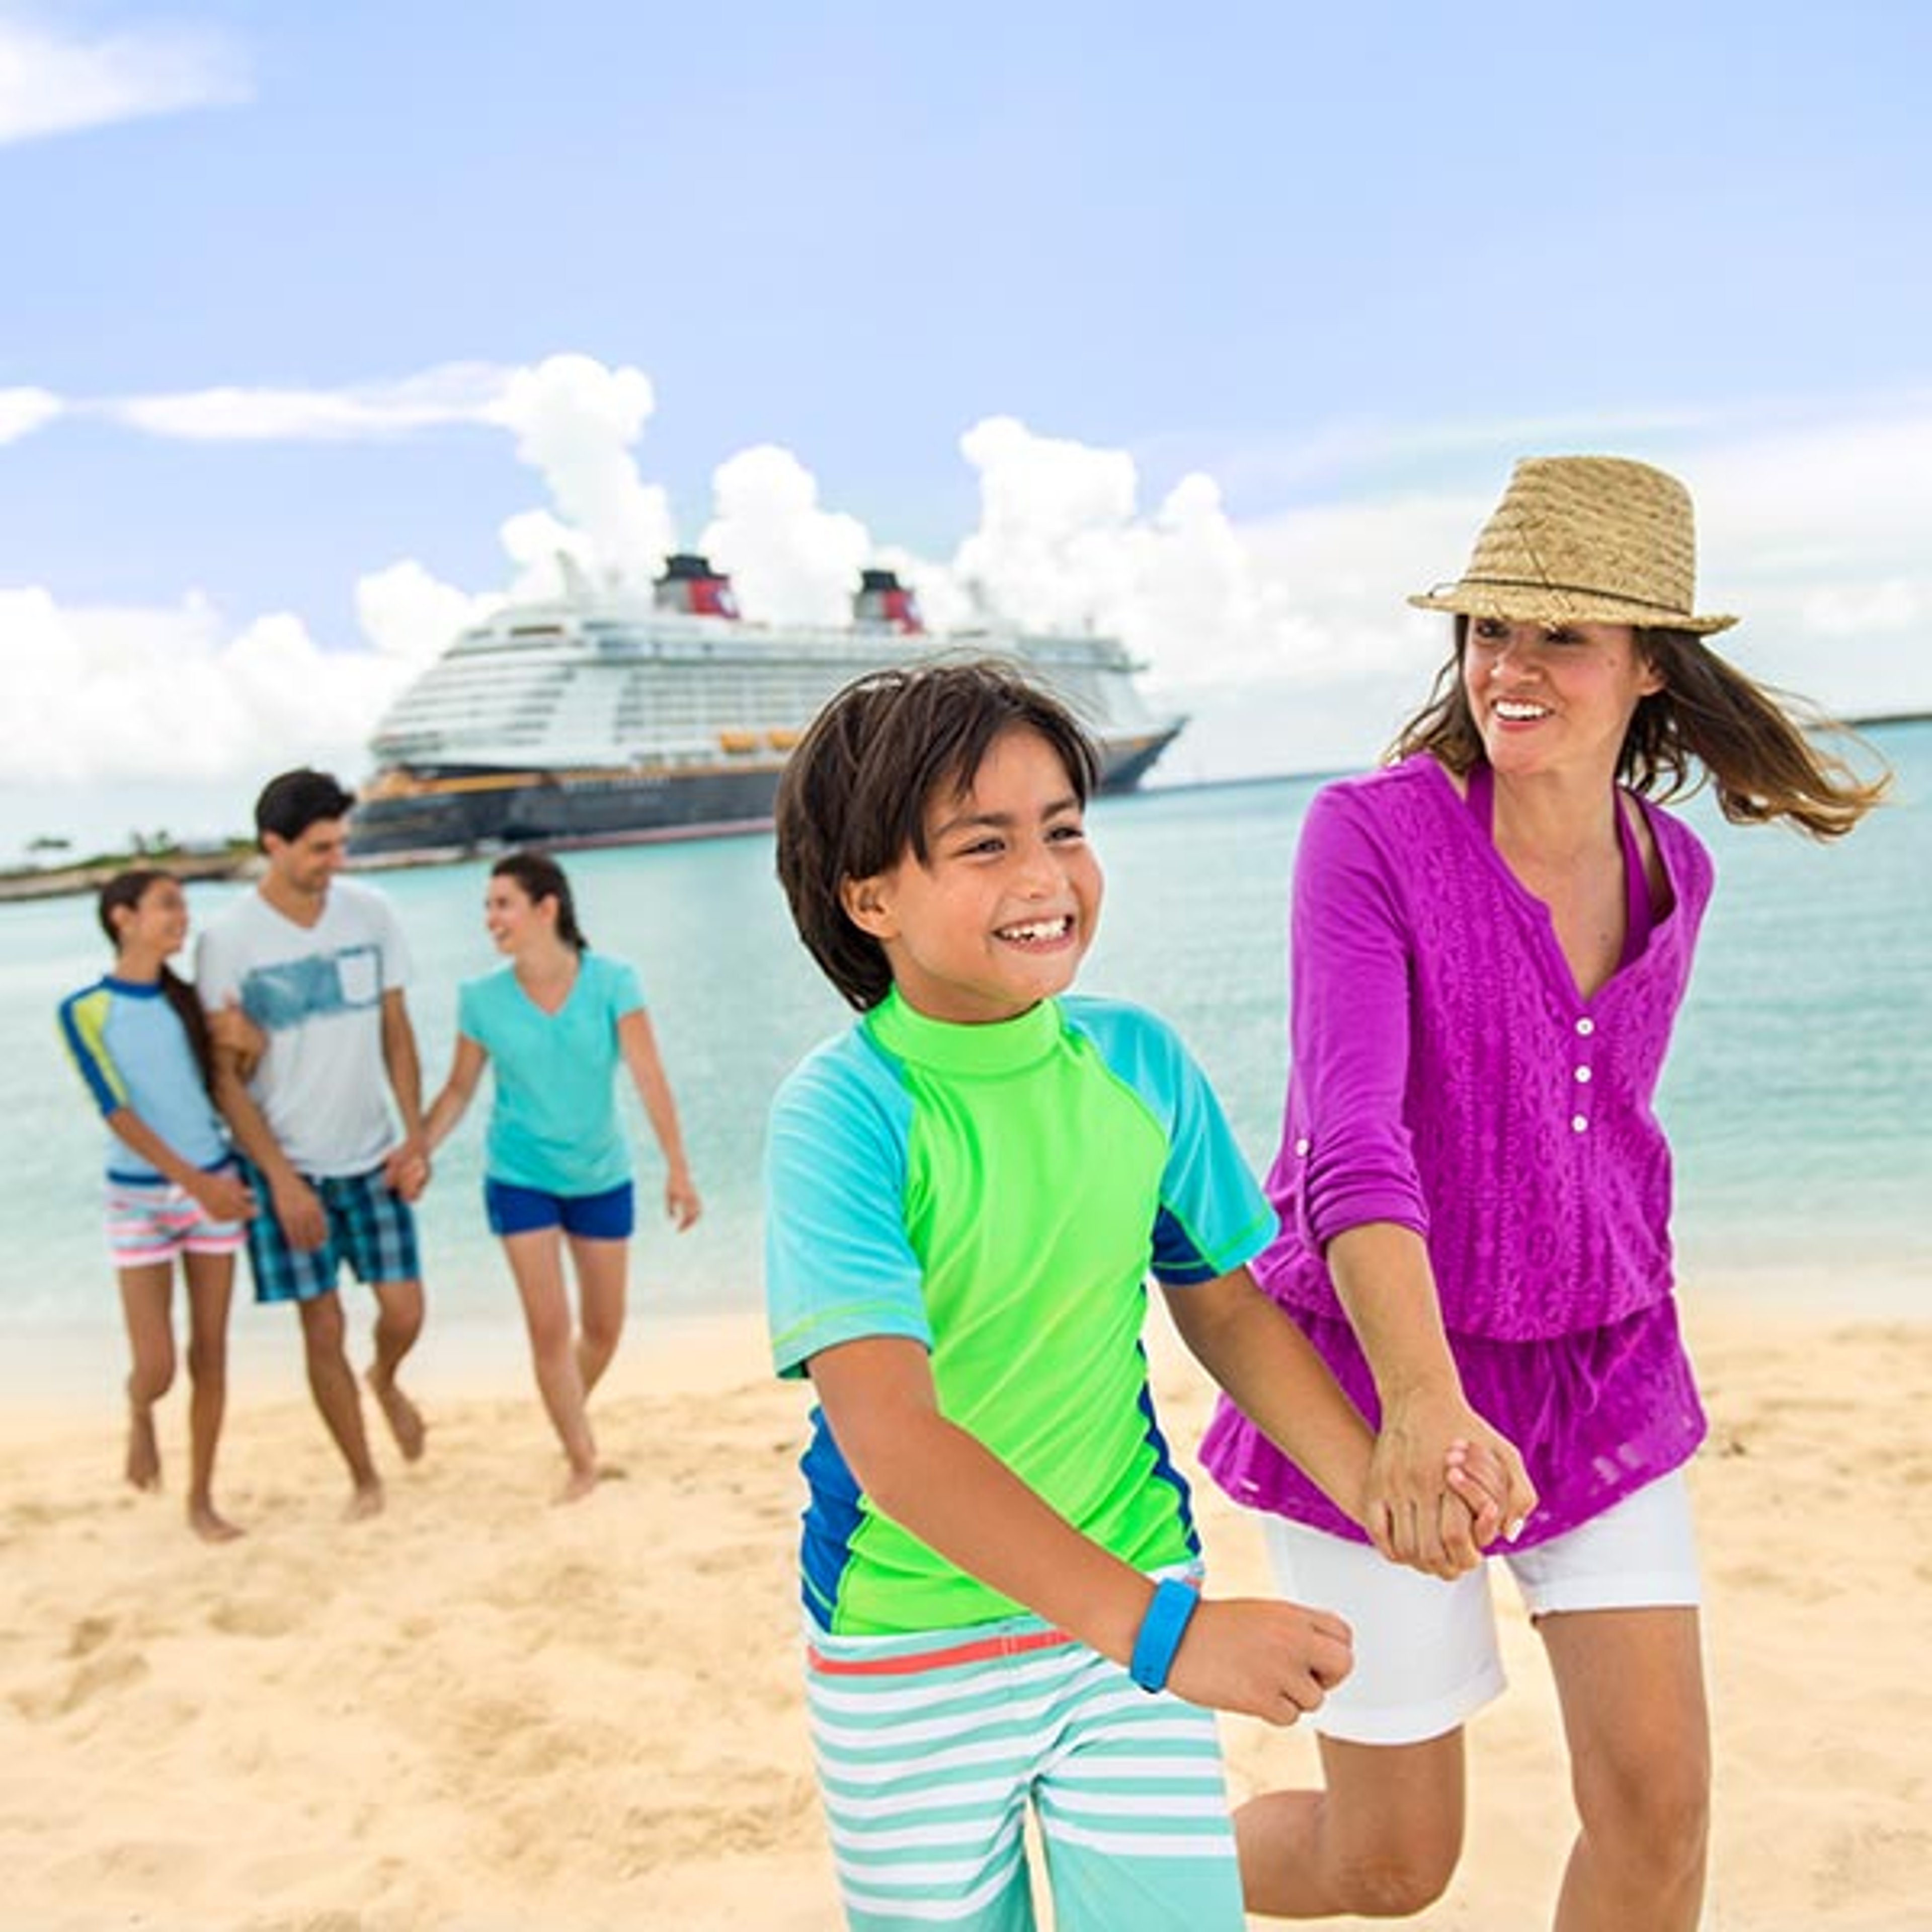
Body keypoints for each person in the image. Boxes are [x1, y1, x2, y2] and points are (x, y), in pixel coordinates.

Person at [1200, 455, 1889, 1928]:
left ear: (1651, 668)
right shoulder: (1368, 837)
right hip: (1377, 1363)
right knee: (1387, 1866)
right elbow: (1353, 1146)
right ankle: (1120, 1868)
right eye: (1490, 629)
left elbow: (1588, 1132)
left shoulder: (1678, 872)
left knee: (1660, 1818)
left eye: (1562, 635)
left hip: (1603, 1370)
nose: (1509, 667)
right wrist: (1423, 1405)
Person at [763, 659, 1513, 1932]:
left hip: (1126, 1610)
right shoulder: (843, 1116)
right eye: (984, 845)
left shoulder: (1136, 1063)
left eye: (1063, 830)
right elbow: (896, 1448)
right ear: (868, 894)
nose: (1045, 876)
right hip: (905, 1645)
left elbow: (1222, 1310)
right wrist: (1175, 1637)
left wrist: (1378, 1488)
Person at [423, 851, 701, 1501]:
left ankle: (565, 1411)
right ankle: (582, 1459)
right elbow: (460, 1090)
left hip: (601, 1173)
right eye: (488, 906)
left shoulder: (613, 981)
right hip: (520, 1176)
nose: (491, 918)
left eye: (502, 904)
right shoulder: (480, 999)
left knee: (603, 1329)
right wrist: (420, 1149)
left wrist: (679, 1171)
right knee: (549, 1329)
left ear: (547, 908)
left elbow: (649, 1076)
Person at [196, 768, 433, 1520]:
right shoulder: (227, 940)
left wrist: (416, 1134)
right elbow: (226, 1079)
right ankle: (364, 1476)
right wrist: (281, 1181)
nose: (337, 861)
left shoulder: (372, 913)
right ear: (275, 845)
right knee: (322, 1321)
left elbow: (397, 1032)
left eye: (341, 845)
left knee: (404, 1310)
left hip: (372, 1154)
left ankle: (387, 1379)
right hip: (286, 1167)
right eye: (321, 848)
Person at [57, 869, 257, 1542]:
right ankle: (139, 1411)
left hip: (215, 1188)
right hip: (140, 1201)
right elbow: (117, 1112)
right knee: (158, 1366)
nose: (182, 917)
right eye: (167, 905)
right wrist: (195, 1186)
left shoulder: (190, 1005)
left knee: (212, 1355)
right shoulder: (82, 1010)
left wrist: (247, 1044)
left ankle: (201, 1499)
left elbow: (226, 1088)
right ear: (123, 918)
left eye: (184, 906)